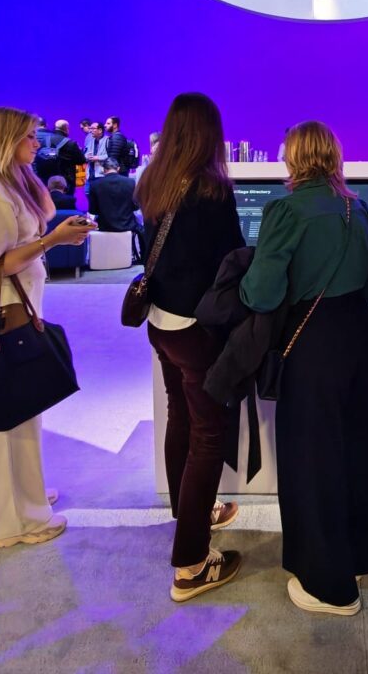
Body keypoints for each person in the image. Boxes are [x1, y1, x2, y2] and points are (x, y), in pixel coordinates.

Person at [240, 121, 368, 615]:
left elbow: (261, 291)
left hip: (312, 340)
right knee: (355, 449)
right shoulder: (357, 208)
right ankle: (359, 555)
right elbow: (367, 287)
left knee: (311, 457)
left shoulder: (286, 208)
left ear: (295, 158)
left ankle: (330, 587)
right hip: (359, 337)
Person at [0, 107, 93, 549]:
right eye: (30, 137)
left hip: (19, 304)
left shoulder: (9, 181)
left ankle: (16, 498)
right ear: (7, 139)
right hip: (1, 310)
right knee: (6, 413)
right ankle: (15, 521)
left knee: (23, 407)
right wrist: (53, 240)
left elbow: (32, 224)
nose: (38, 142)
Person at [135, 93, 246, 601]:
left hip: (160, 323)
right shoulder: (211, 189)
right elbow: (232, 259)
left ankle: (191, 514)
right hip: (197, 329)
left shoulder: (153, 181)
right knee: (208, 435)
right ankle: (190, 564)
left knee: (180, 415)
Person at [88, 168, 139, 235]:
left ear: (104, 170)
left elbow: (92, 210)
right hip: (127, 226)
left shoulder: (94, 184)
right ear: (118, 168)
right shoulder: (131, 182)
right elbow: (136, 207)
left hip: (104, 227)